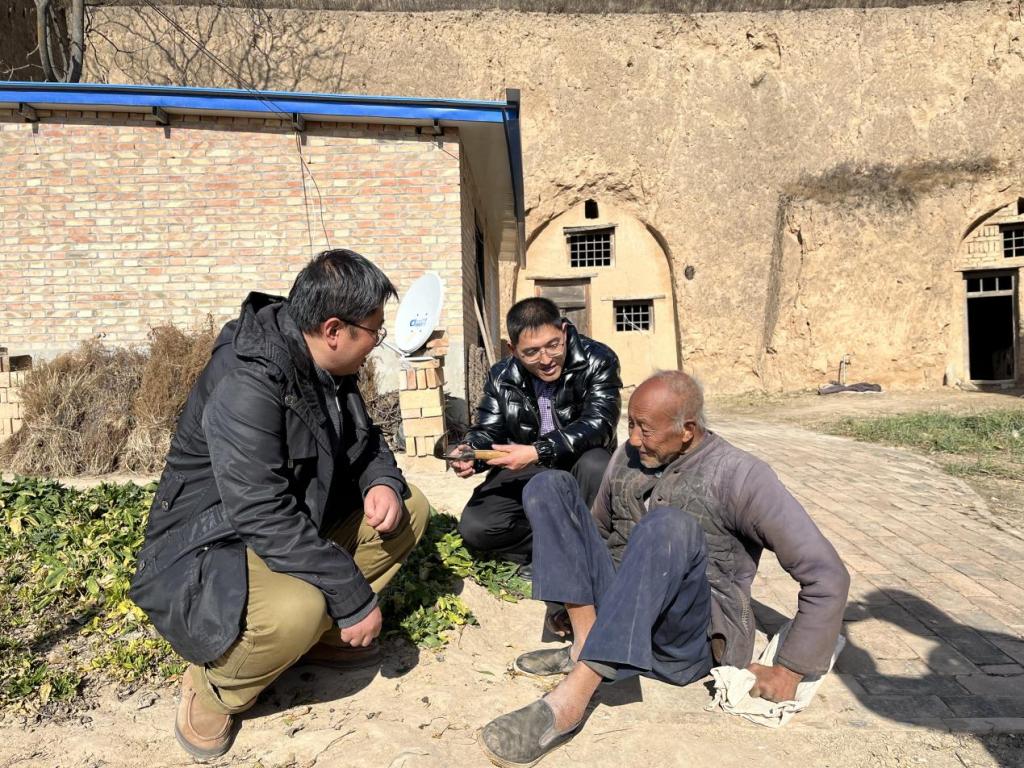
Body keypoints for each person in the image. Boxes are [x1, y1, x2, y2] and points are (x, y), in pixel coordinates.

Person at [130, 249, 431, 761]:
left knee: (409, 508)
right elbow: (260, 512)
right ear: (334, 330)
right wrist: (350, 594)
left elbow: (364, 440)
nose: (377, 342)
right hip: (215, 541)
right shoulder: (248, 382)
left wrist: (379, 480)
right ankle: (214, 689)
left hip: (290, 519)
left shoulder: (327, 365)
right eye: (374, 331)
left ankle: (321, 639)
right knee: (297, 609)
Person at [479, 371, 850, 767]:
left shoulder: (741, 475)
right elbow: (596, 532)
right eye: (631, 425)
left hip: (683, 641)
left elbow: (827, 575)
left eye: (646, 429)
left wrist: (790, 670)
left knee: (668, 525)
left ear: (687, 430)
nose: (634, 439)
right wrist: (567, 606)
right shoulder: (626, 456)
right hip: (615, 614)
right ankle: (586, 645)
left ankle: (571, 699)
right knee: (548, 486)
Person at [452, 297, 621, 569]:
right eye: (531, 352)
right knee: (476, 527)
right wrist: (472, 452)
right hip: (526, 465)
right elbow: (488, 429)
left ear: (564, 331)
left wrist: (539, 450)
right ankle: (559, 546)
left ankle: (591, 554)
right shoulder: (501, 376)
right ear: (513, 349)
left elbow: (599, 423)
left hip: (579, 461)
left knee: (596, 464)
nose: (546, 360)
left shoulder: (598, 360)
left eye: (553, 345)